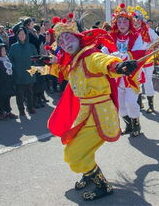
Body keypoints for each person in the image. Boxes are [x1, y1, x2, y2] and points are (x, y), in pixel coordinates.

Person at [48, 13, 137, 200]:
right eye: (61, 41)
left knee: (74, 153)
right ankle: (89, 174)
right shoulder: (75, 60)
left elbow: (103, 61)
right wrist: (49, 64)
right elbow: (64, 71)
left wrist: (118, 66)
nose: (65, 42)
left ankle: (102, 185)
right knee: (76, 147)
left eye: (68, 37)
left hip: (100, 114)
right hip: (86, 113)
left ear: (77, 37)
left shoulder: (89, 55)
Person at [103, 3, 146, 137]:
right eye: (119, 21)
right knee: (120, 104)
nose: (122, 24)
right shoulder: (111, 35)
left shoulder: (136, 35)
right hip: (117, 75)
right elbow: (105, 50)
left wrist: (121, 56)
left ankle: (136, 124)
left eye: (125, 21)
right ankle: (128, 125)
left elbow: (139, 53)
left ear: (130, 22)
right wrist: (102, 55)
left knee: (130, 102)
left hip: (131, 74)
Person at [130, 5, 159, 113]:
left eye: (138, 19)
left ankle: (151, 105)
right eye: (133, 20)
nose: (136, 22)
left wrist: (151, 46)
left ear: (141, 20)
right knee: (136, 82)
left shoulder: (148, 31)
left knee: (147, 82)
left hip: (147, 61)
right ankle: (139, 103)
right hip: (136, 62)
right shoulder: (131, 32)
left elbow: (158, 40)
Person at [9, 27, 37, 116]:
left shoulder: (31, 46)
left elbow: (36, 58)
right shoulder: (13, 47)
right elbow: (10, 60)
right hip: (18, 73)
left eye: (23, 34)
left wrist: (34, 67)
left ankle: (30, 107)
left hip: (29, 73)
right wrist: (15, 68)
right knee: (19, 94)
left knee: (30, 92)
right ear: (17, 35)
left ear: (26, 35)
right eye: (20, 34)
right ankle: (21, 109)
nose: (22, 36)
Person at [0, 43, 17, 120]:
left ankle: (8, 111)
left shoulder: (6, 58)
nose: (4, 52)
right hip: (0, 84)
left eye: (5, 50)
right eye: (2, 50)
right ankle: (1, 113)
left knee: (7, 98)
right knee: (1, 99)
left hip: (8, 82)